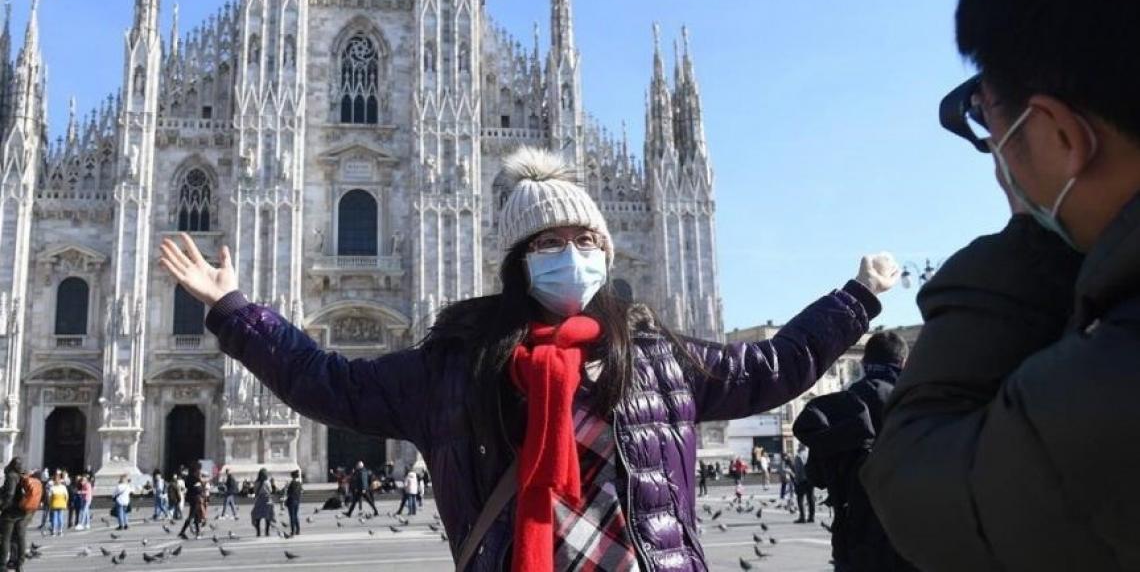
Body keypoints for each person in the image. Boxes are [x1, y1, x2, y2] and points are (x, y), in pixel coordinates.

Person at [159, 145, 899, 570]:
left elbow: (771, 368)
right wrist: (233, 310)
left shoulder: (655, 359)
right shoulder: (457, 368)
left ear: (607, 256)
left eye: (586, 243)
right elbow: (327, 384)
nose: (570, 257)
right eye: (548, 244)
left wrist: (858, 298)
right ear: (516, 260)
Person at [857, 0, 1140, 572]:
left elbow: (926, 479)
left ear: (1059, 134)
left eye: (988, 121)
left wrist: (1032, 231)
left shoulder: (1108, 398)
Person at [794, 331, 914, 571]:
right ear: (903, 363)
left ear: (863, 363)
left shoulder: (840, 406)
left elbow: (816, 476)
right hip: (911, 539)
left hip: (854, 540)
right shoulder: (917, 400)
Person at [0, 458, 33, 572]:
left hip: (10, 512)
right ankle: (19, 564)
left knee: (6, 538)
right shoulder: (23, 474)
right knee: (19, 538)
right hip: (22, 511)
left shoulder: (11, 476)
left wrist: (2, 507)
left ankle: (2, 565)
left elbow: (10, 494)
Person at [177, 466, 204, 540]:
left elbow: (188, 487)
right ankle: (183, 532)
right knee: (192, 516)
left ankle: (197, 532)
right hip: (196, 499)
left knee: (196, 516)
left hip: (192, 499)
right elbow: (199, 489)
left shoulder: (188, 478)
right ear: (195, 472)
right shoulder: (195, 479)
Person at [250, 468, 275, 537]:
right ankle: (267, 532)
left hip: (259, 500)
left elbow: (255, 491)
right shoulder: (267, 482)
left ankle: (258, 532)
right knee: (268, 516)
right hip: (267, 500)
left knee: (257, 517)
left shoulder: (256, 482)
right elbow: (270, 490)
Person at [792, 446, 814, 524]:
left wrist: (796, 480)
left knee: (800, 499)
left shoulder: (798, 456)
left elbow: (798, 470)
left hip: (802, 480)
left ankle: (802, 517)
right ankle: (811, 517)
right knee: (810, 498)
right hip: (810, 479)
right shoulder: (809, 454)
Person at [285, 470, 302, 536]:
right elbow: (301, 492)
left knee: (292, 516)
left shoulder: (292, 483)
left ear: (292, 476)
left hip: (291, 501)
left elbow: (288, 492)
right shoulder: (299, 483)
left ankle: (293, 531)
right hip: (297, 501)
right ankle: (298, 529)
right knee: (295, 515)